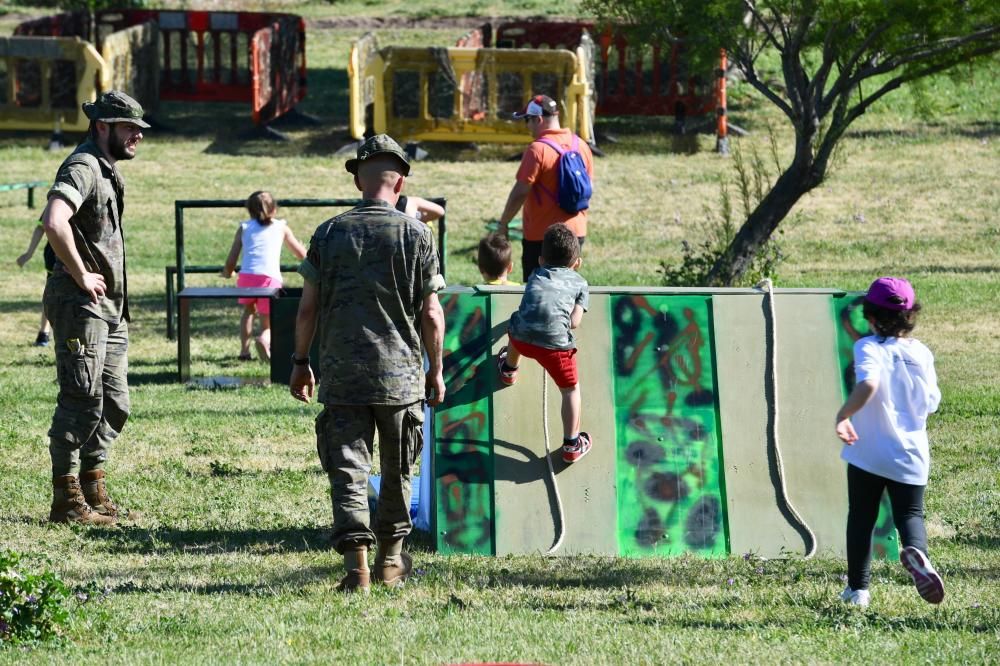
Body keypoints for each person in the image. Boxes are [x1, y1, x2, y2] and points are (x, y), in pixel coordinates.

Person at [289, 134, 446, 594]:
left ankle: (357, 568)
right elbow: (432, 313)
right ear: (399, 182)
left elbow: (306, 309)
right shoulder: (418, 234)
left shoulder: (329, 233)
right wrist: (435, 368)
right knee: (398, 470)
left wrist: (301, 361)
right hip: (400, 377)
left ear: (359, 179)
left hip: (342, 373)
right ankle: (392, 562)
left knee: (348, 469)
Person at [39, 90, 148, 525]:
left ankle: (91, 484)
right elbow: (53, 220)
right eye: (130, 128)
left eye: (140, 129)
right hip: (80, 305)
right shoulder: (83, 166)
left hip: (109, 309)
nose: (138, 135)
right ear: (102, 126)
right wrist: (81, 274)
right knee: (82, 398)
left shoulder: (107, 170)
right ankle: (66, 500)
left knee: (115, 401)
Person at [835, 277, 945, 608]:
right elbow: (932, 402)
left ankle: (858, 590)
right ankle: (920, 558)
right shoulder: (921, 353)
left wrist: (843, 415)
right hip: (911, 454)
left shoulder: (867, 347)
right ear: (910, 316)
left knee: (861, 518)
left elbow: (868, 383)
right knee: (911, 515)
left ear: (869, 315)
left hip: (869, 452)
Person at [497, 223, 591, 463]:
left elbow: (532, 306)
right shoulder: (580, 283)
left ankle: (509, 369)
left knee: (518, 325)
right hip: (555, 348)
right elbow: (574, 322)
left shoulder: (535, 274)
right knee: (570, 389)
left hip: (520, 339)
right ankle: (571, 444)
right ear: (577, 263)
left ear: (540, 260)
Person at [497, 94, 594, 282]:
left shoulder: (537, 149)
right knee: (567, 292)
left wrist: (503, 223)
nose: (527, 126)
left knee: (537, 295)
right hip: (575, 234)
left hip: (542, 237)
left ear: (538, 119)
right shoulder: (581, 145)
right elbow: (589, 187)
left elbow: (520, 192)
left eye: (527, 120)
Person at [221, 191, 306, 362]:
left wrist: (228, 272)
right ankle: (265, 340)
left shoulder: (244, 228)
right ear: (274, 209)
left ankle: (244, 352)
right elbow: (300, 254)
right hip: (269, 279)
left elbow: (232, 259)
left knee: (248, 312)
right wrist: (304, 250)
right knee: (268, 319)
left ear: (249, 211)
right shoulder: (281, 227)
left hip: (246, 277)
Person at [16, 224, 56, 346]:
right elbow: (42, 226)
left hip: (84, 260)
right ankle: (44, 333)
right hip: (56, 259)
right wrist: (29, 253)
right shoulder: (58, 204)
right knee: (50, 296)